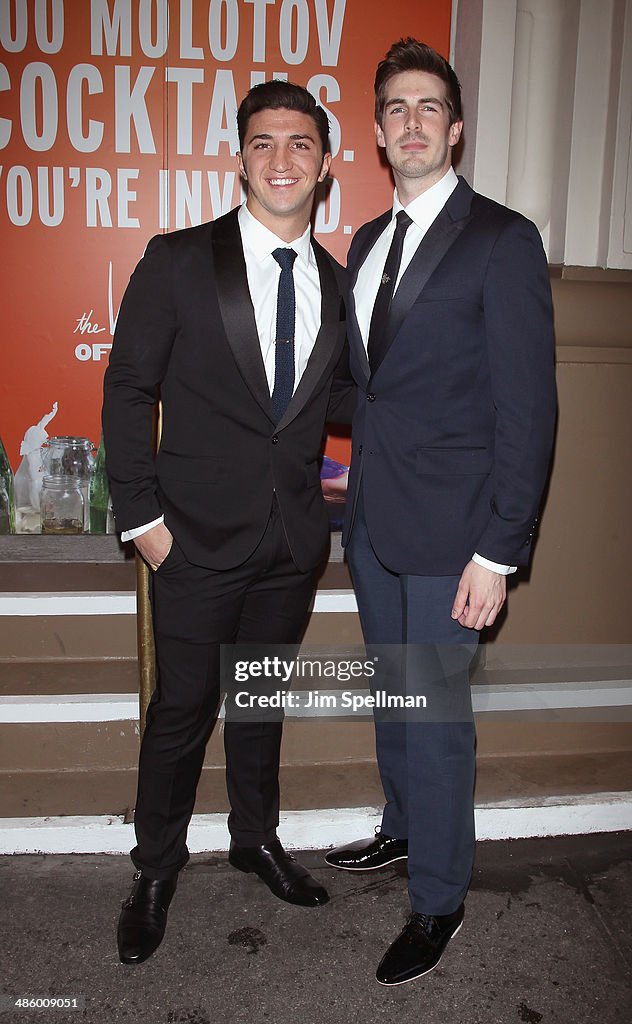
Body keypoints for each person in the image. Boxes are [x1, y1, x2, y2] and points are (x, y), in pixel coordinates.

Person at [103, 80, 354, 966]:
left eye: (299, 144)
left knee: (258, 703)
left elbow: (354, 402)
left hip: (292, 545)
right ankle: (156, 868)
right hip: (191, 541)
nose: (280, 159)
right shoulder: (177, 260)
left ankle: (255, 839)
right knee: (181, 712)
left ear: (325, 166)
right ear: (239, 158)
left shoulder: (339, 281)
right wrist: (142, 519)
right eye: (262, 143)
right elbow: (129, 388)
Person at [325, 39, 557, 986]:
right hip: (375, 523)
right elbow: (362, 391)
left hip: (456, 534)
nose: (412, 122)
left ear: (454, 130)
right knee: (396, 698)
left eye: (430, 107)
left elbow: (528, 410)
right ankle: (403, 829)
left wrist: (498, 553)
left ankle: (441, 898)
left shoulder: (504, 239)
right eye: (396, 109)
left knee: (436, 717)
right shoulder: (369, 244)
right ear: (379, 134)